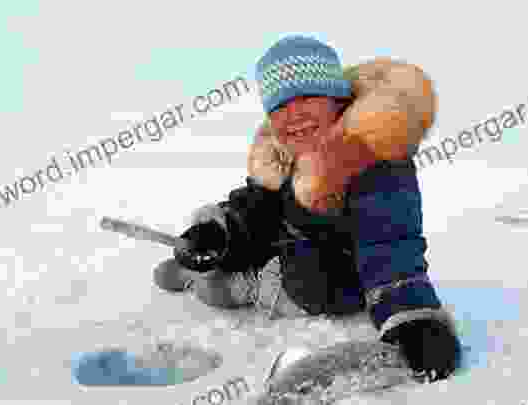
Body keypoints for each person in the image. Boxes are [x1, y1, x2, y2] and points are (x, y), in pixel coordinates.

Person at [153, 35, 461, 381]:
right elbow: (258, 207)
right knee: (241, 230)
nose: (294, 114)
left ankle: (213, 283)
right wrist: (220, 230)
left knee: (219, 292)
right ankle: (205, 259)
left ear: (338, 101)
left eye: (307, 98)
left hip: (319, 284)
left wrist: (413, 317)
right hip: (289, 249)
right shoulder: (286, 155)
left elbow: (391, 244)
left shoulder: (373, 161)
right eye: (280, 107)